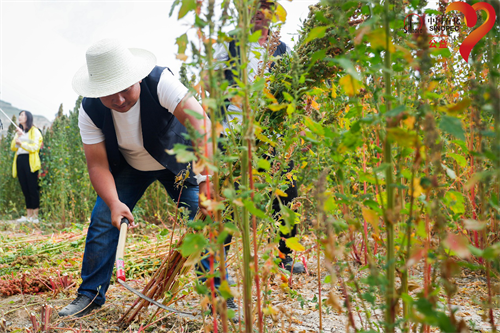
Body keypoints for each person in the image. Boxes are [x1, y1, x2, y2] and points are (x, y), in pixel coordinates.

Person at [58, 38, 221, 318]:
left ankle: (216, 298)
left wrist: (207, 179)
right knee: (102, 218)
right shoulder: (90, 109)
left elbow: (202, 125)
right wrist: (113, 203)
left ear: (137, 77)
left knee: (202, 214)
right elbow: (97, 165)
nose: (119, 100)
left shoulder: (159, 81)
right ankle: (90, 295)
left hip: (177, 159)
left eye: (125, 90)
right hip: (130, 166)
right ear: (97, 91)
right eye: (109, 94)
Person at [200, 0, 305, 280]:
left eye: (267, 5)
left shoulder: (282, 50)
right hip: (232, 136)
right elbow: (209, 86)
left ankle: (284, 255)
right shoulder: (229, 45)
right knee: (227, 201)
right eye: (255, 4)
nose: (260, 11)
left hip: (270, 136)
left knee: (286, 192)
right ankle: (216, 267)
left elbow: (294, 90)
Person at [10, 110, 43, 223]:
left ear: (28, 117)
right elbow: (13, 147)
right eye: (19, 115)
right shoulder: (19, 131)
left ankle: (35, 216)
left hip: (30, 161)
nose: (19, 117)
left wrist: (21, 143)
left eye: (22, 115)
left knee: (32, 188)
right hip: (20, 160)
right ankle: (28, 216)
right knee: (25, 188)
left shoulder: (35, 131)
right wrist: (17, 138)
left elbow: (35, 147)